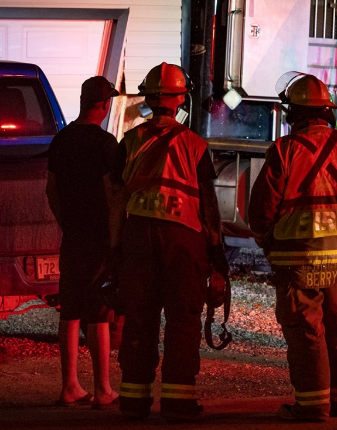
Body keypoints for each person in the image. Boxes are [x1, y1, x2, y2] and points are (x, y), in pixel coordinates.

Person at [248, 72, 337, 422]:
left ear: (295, 114)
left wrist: (269, 244)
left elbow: (259, 212)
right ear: (325, 111)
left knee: (306, 331)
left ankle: (312, 405)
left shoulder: (284, 151)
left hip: (297, 260)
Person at [109, 63, 225, 422]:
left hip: (138, 237)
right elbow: (209, 206)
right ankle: (178, 401)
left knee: (140, 317)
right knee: (183, 319)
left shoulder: (128, 142)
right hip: (183, 239)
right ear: (179, 100)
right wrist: (217, 257)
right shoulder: (195, 145)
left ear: (149, 99)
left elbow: (115, 202)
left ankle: (133, 400)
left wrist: (114, 252)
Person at [45, 76, 120, 409]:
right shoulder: (106, 144)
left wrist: (66, 223)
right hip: (99, 236)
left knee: (71, 310)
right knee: (100, 311)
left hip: (72, 236)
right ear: (103, 105)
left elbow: (51, 189)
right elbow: (112, 192)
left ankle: (70, 386)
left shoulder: (61, 140)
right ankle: (104, 388)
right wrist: (115, 236)